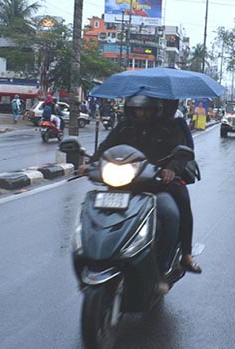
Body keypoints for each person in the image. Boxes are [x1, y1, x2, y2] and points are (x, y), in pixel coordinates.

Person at [81, 95, 202, 281]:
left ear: (156, 109)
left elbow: (182, 154)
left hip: (156, 185)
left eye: (146, 110)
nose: (141, 114)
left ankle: (173, 262)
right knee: (94, 209)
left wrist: (170, 169)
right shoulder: (123, 127)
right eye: (138, 109)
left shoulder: (170, 127)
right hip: (123, 183)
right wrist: (90, 164)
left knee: (171, 213)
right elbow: (106, 147)